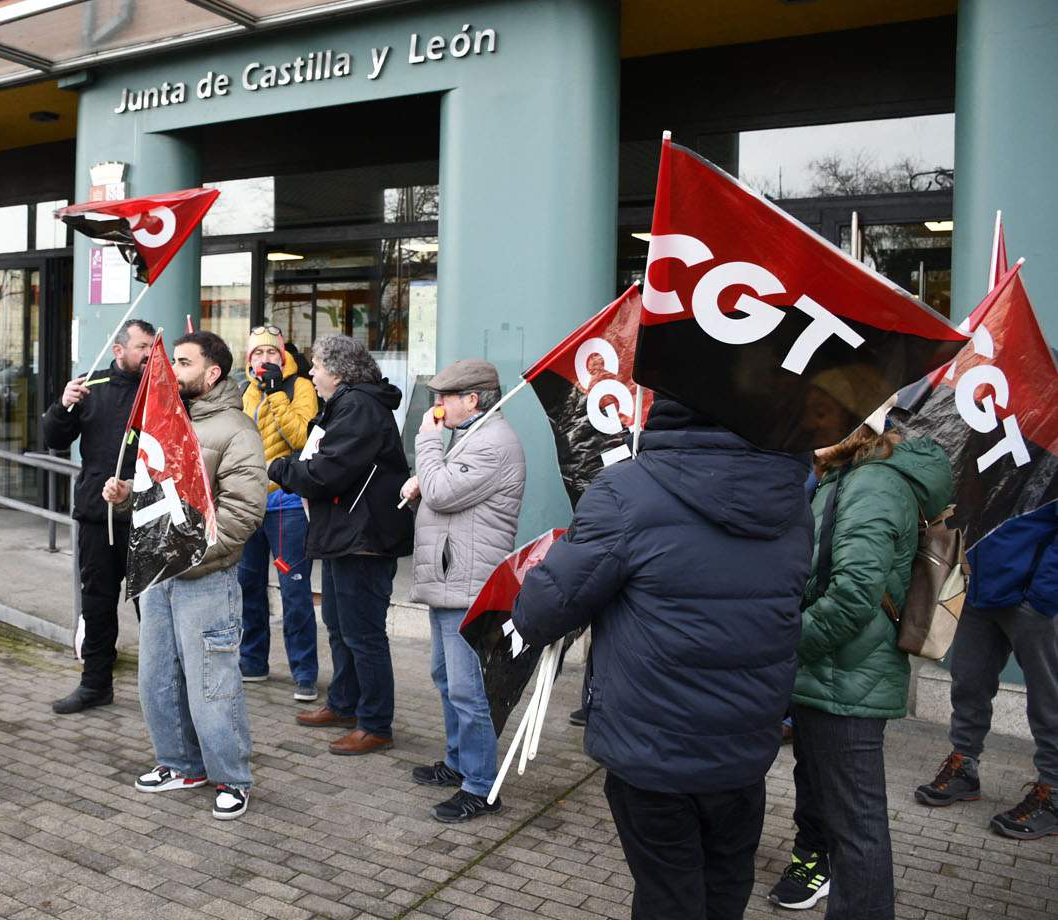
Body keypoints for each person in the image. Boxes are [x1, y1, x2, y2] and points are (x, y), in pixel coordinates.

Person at [512, 396, 812, 920]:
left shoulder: (627, 491)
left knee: (668, 896)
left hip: (652, 747)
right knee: (725, 889)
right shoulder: (792, 500)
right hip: (744, 745)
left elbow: (541, 613)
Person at [769, 406, 952, 917]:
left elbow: (852, 595)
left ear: (859, 429)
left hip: (846, 678)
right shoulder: (851, 477)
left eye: (823, 422)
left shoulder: (872, 484)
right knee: (843, 815)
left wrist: (787, 644)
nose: (811, 432)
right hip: (832, 673)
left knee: (856, 826)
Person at [102, 330, 265, 820]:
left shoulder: (237, 431)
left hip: (204, 578)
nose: (173, 371)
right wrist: (129, 495)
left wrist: (188, 551)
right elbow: (162, 498)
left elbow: (244, 511)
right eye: (171, 361)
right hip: (160, 574)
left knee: (211, 680)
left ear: (212, 373)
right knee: (158, 677)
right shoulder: (168, 422)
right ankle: (179, 764)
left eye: (184, 363)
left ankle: (232, 777)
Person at [269, 334, 413, 756]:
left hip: (364, 538)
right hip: (344, 534)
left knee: (363, 633)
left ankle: (375, 723)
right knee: (337, 621)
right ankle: (344, 703)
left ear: (339, 370)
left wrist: (280, 468)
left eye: (315, 365)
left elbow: (325, 471)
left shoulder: (359, 407)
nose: (310, 372)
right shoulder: (348, 405)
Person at [400, 359, 525, 822]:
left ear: (472, 400)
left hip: (468, 583)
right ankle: (457, 763)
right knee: (446, 679)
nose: (437, 408)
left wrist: (427, 444)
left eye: (443, 399)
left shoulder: (493, 442)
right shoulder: (471, 436)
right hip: (451, 578)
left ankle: (480, 785)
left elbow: (443, 493)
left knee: (468, 690)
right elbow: (441, 490)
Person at [913, 502, 1058, 839]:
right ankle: (964, 765)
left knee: (1048, 700)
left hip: (1033, 597)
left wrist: (1043, 596)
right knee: (969, 682)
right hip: (981, 585)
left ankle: (1052, 793)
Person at [41, 319, 155, 714]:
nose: (147, 353)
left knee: (152, 609)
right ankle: (95, 685)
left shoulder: (160, 391)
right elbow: (54, 439)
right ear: (118, 350)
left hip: (146, 516)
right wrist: (63, 404)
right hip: (95, 514)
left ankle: (160, 689)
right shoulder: (92, 386)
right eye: (141, 346)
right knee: (97, 604)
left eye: (151, 346)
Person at [238, 324, 319, 702]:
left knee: (294, 590)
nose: (265, 359)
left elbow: (302, 438)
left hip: (287, 505)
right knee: (248, 585)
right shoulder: (244, 391)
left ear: (283, 355)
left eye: (272, 353)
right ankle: (252, 661)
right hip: (249, 504)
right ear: (248, 360)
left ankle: (304, 673)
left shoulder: (299, 387)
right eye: (257, 354)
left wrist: (275, 396)